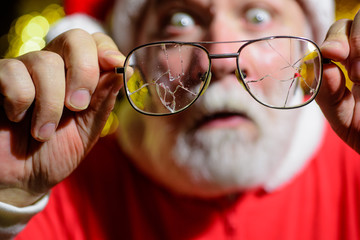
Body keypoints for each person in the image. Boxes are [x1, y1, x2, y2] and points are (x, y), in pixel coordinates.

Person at [1, 0, 360, 239]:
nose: (218, 61)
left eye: (257, 17)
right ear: (134, 63)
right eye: (180, 21)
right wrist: (11, 196)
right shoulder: (49, 186)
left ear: (307, 49)